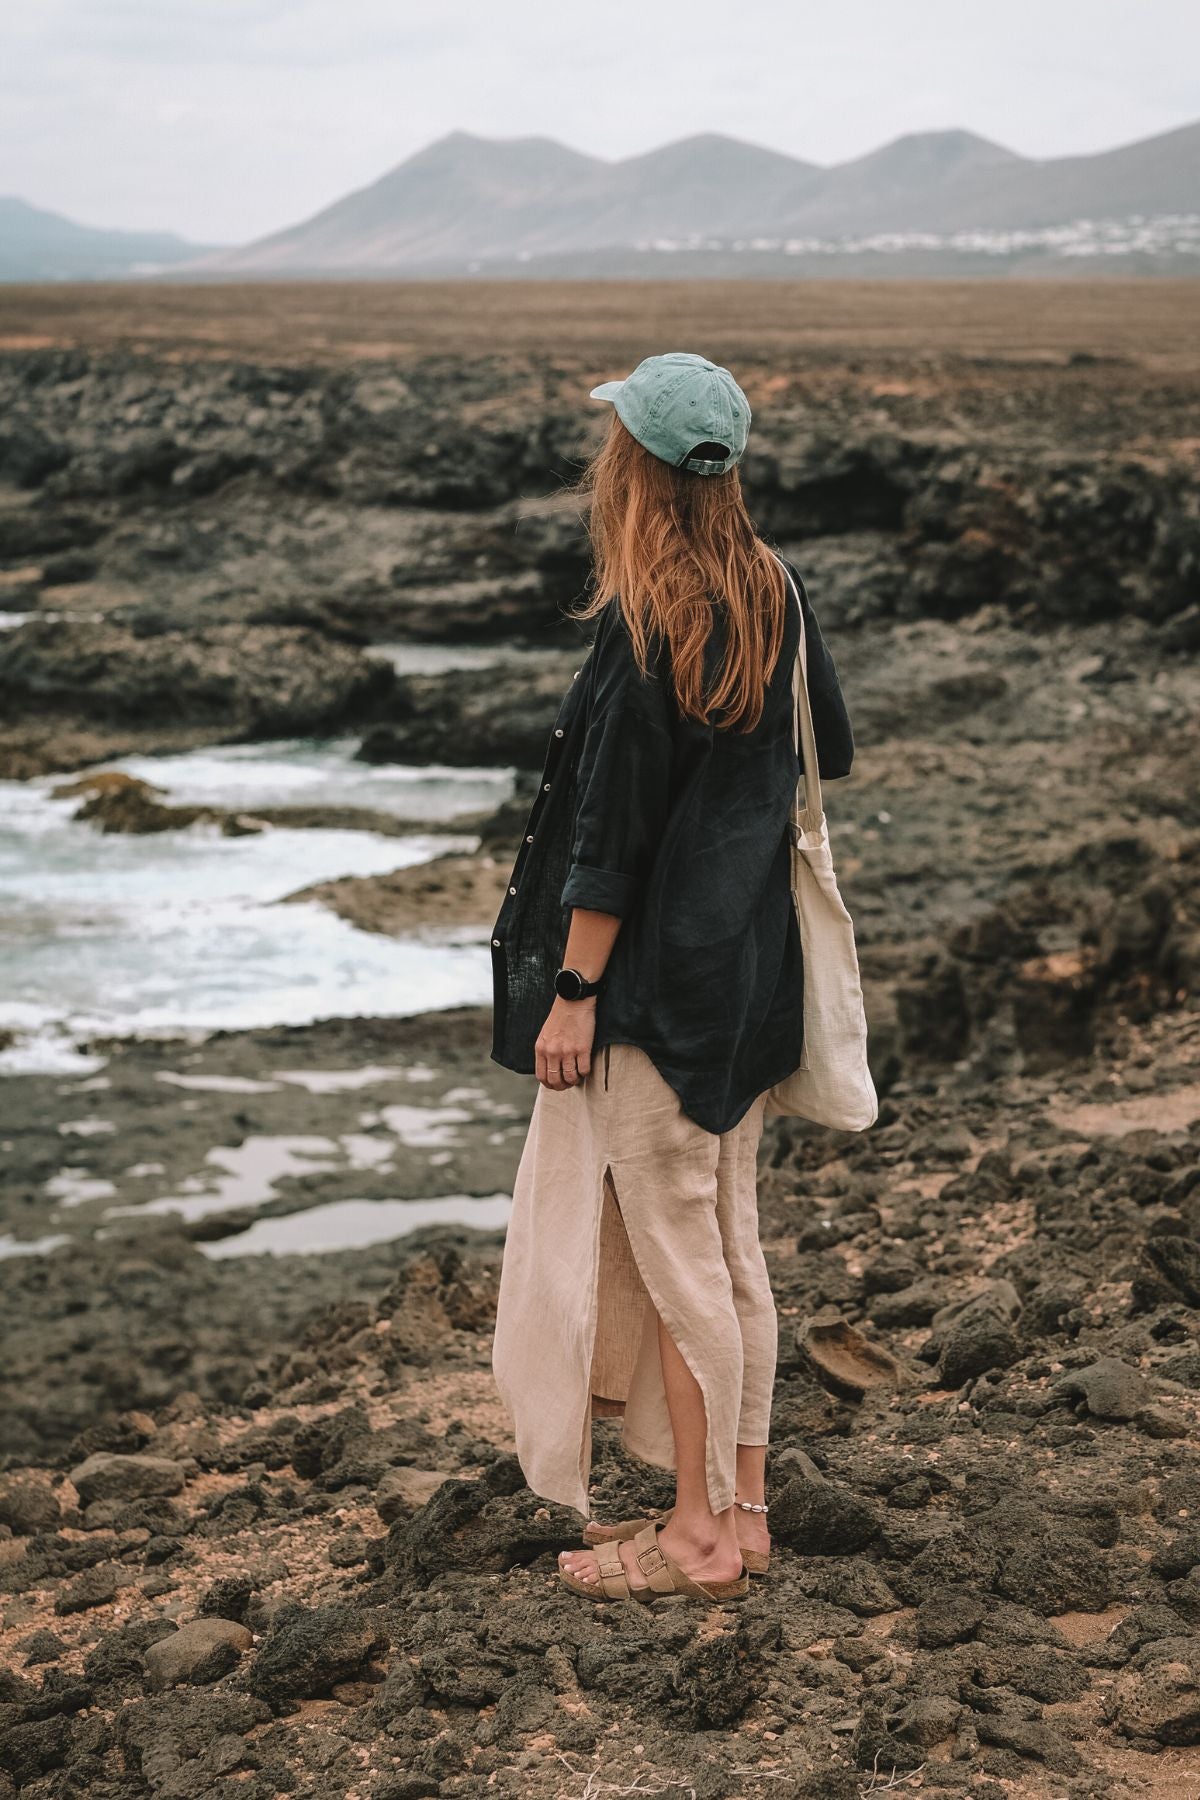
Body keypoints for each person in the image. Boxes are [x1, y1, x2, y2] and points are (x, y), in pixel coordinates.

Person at [490, 352, 854, 1603]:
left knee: (681, 1258)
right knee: (728, 1246)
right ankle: (741, 1511)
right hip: (748, 983)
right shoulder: (772, 590)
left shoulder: (652, 615)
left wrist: (574, 994)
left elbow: (612, 840)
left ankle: (697, 1537)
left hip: (654, 993)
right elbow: (826, 751)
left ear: (633, 463)